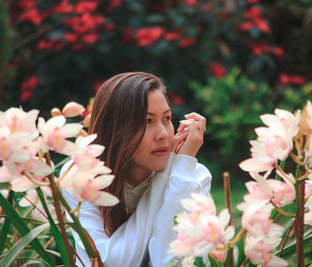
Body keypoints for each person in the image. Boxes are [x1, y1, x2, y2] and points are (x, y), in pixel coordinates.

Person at [61, 72, 212, 267]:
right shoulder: (81, 177)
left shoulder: (192, 176)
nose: (163, 134)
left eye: (166, 119)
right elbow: (109, 263)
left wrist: (175, 172)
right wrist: (167, 176)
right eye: (147, 121)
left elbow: (170, 262)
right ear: (115, 130)